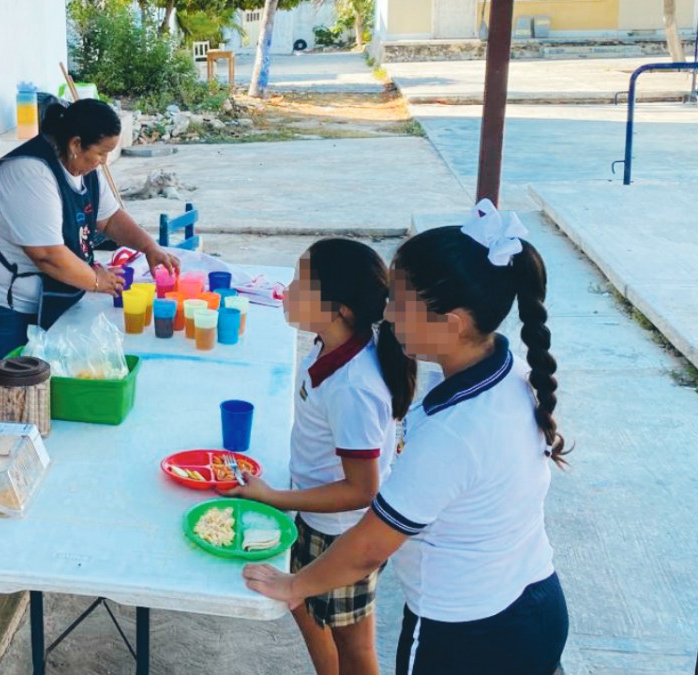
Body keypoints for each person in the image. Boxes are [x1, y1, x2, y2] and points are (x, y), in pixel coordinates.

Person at [244, 206, 570, 675]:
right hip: (535, 601)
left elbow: (371, 547)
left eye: (399, 301)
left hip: (467, 634)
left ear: (452, 322)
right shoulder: (509, 370)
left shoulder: (452, 433)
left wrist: (294, 587)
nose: (387, 313)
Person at [224, 239, 415, 675]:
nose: (288, 290)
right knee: (303, 605)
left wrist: (274, 498)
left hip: (340, 534)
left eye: (301, 284)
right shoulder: (329, 346)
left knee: (355, 647)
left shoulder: (355, 386)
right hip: (316, 517)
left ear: (340, 309)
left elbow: (362, 489)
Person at [0, 98, 179, 420]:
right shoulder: (30, 172)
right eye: (100, 153)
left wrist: (149, 247)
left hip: (36, 295)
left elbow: (109, 219)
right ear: (75, 144)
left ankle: (21, 444)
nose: (104, 162)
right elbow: (48, 256)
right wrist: (96, 280)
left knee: (33, 386)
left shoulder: (85, 169)